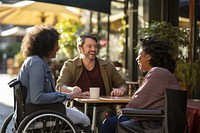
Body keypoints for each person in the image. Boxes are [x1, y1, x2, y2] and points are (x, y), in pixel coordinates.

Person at [100, 36, 181, 133]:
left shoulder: (157, 72)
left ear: (149, 56)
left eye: (139, 54)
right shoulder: (165, 74)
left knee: (108, 123)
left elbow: (136, 104)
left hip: (151, 125)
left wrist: (123, 110)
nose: (137, 58)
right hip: (159, 122)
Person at [17, 24, 90, 127]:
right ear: (47, 45)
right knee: (86, 120)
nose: (58, 47)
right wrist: (67, 96)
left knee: (76, 113)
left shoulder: (37, 62)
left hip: (39, 111)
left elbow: (45, 93)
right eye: (56, 44)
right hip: (39, 115)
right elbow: (37, 98)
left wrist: (70, 95)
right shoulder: (36, 64)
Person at [56, 32, 128, 129]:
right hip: (78, 107)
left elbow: (123, 84)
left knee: (107, 121)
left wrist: (120, 90)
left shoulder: (106, 65)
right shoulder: (70, 65)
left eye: (95, 46)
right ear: (80, 48)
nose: (93, 49)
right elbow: (60, 86)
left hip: (102, 107)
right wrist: (71, 89)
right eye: (89, 46)